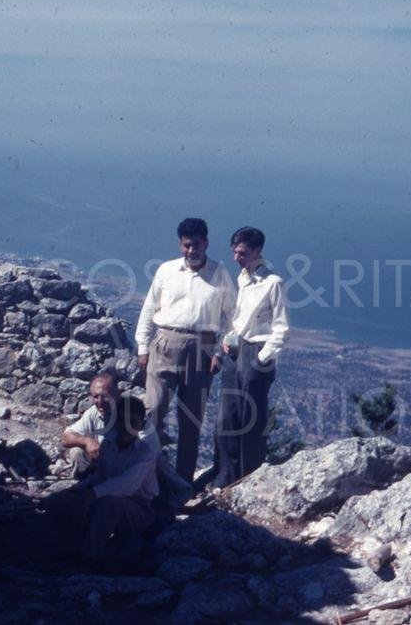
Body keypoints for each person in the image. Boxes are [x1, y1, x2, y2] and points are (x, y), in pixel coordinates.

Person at [135, 217, 237, 484]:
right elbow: (149, 308)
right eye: (186, 245)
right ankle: (146, 475)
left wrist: (218, 352)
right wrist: (143, 346)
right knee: (153, 411)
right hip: (165, 342)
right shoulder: (166, 271)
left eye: (197, 244)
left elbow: (232, 318)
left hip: (202, 349)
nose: (192, 251)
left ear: (206, 242)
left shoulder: (219, 274)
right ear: (180, 244)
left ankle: (182, 484)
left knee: (191, 421)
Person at [212, 226, 290, 488]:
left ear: (257, 251)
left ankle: (248, 476)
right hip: (236, 350)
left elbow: (282, 328)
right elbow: (239, 318)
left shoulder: (273, 283)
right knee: (226, 416)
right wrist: (229, 338)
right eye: (234, 252)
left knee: (251, 420)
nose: (236, 258)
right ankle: (225, 473)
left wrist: (262, 360)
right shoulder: (242, 279)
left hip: (257, 353)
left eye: (242, 253)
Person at [51, 395, 159, 564]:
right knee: (63, 499)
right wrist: (80, 489)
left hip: (139, 510)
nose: (127, 427)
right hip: (111, 498)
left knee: (108, 504)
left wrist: (93, 494)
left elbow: (128, 485)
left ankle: (89, 556)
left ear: (141, 425)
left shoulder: (146, 452)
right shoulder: (109, 445)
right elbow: (101, 475)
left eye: (133, 422)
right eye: (122, 420)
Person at [61, 370, 119, 478]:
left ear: (116, 393)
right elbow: (65, 438)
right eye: (96, 397)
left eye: (105, 396)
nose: (100, 402)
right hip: (102, 465)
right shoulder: (94, 412)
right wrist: (87, 441)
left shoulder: (129, 414)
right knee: (76, 452)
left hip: (125, 470)